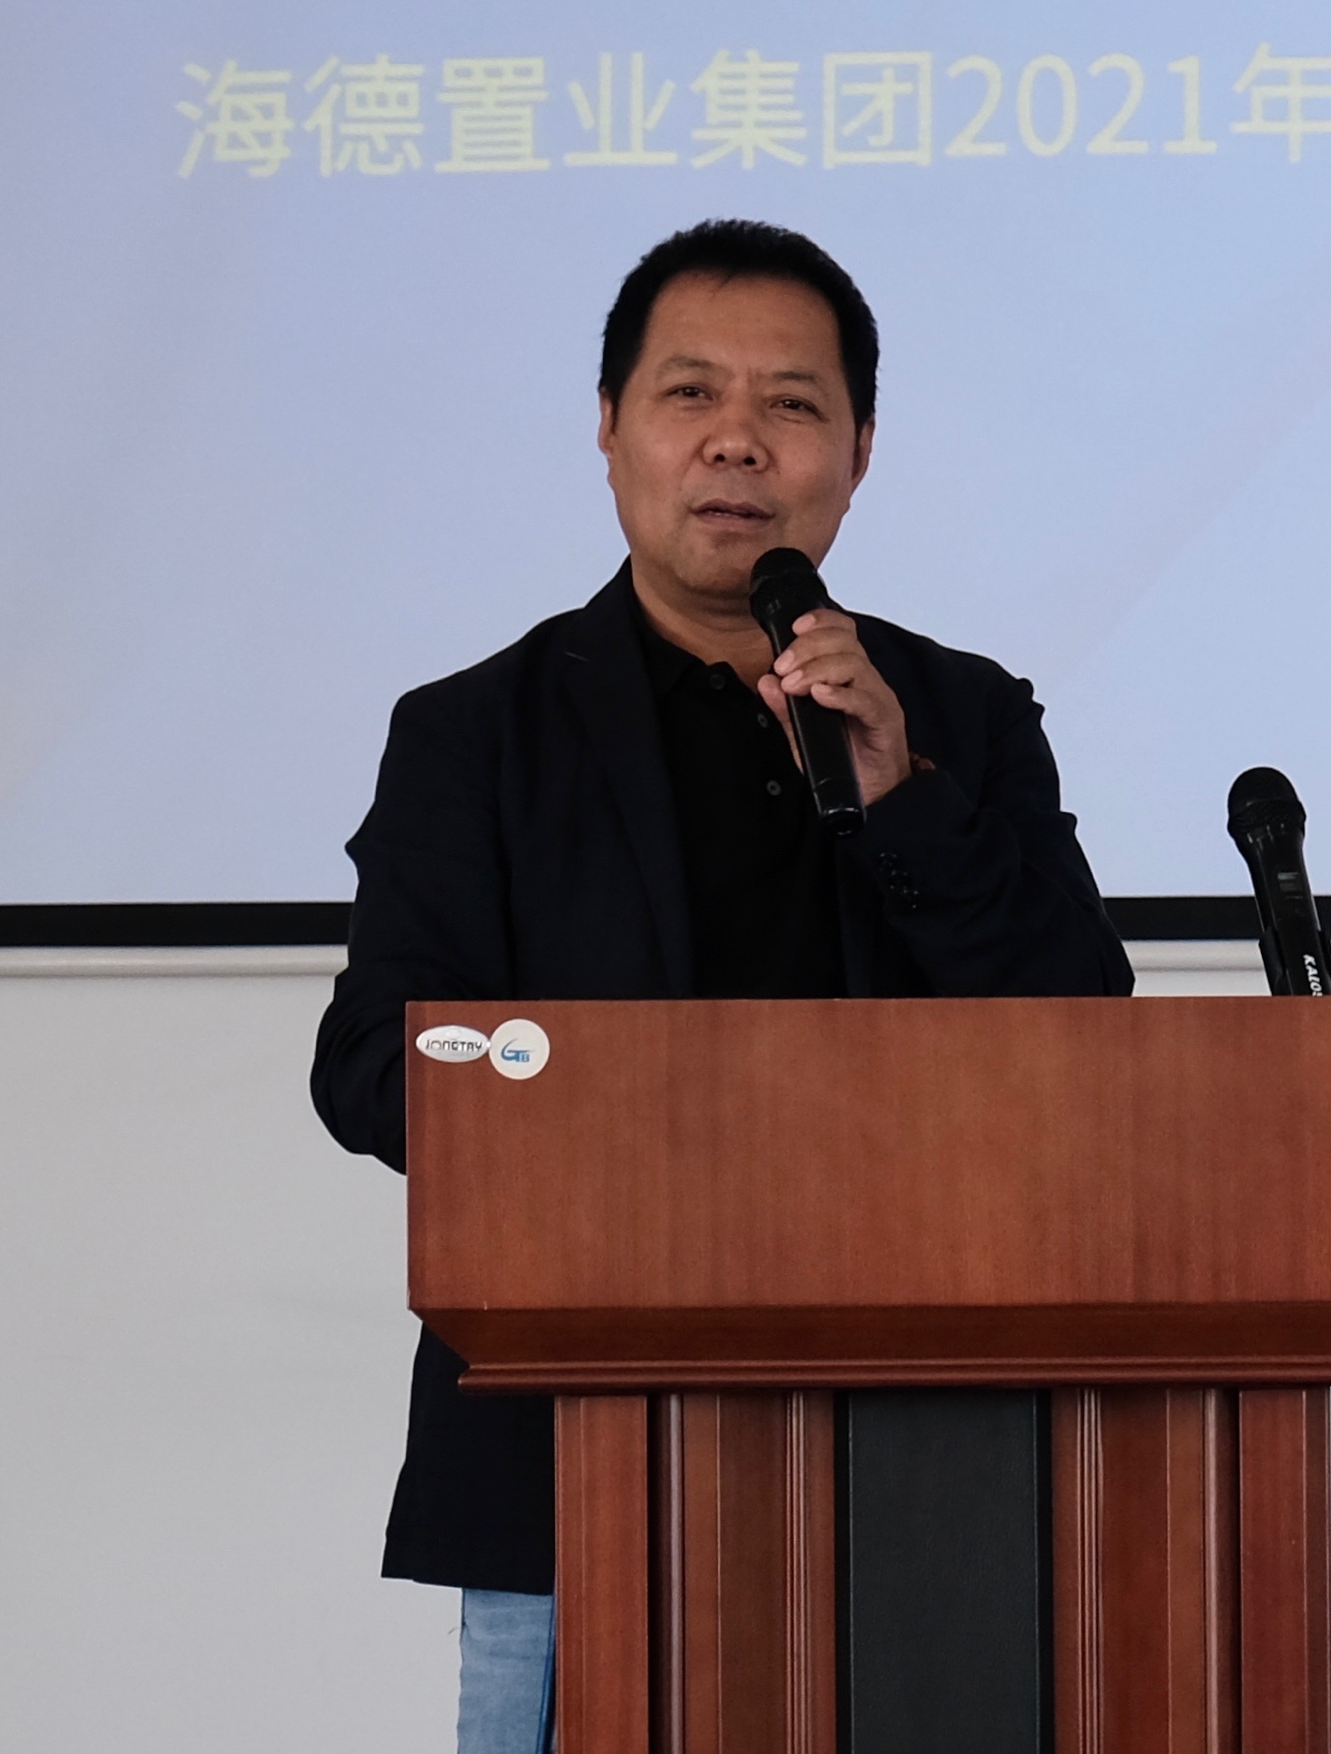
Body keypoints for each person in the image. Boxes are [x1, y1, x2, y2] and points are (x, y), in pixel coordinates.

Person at [309, 219, 1131, 1754]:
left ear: (860, 451)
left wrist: (906, 798)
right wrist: (612, 1109)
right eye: (690, 393)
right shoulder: (477, 735)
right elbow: (370, 1063)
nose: (737, 439)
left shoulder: (959, 715)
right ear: (610, 426)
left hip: (928, 1445)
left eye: (792, 403)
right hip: (574, 1451)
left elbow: (1084, 1033)